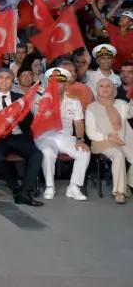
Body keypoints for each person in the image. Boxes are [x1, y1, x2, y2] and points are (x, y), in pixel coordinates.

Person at [0, 68, 42, 207]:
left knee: (37, 155)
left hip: (18, 136)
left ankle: (24, 193)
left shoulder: (20, 98)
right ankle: (15, 187)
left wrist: (20, 117)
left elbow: (29, 123)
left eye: (8, 78)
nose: (4, 80)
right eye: (1, 77)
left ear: (12, 82)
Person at [34, 67, 91, 201]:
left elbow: (78, 122)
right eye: (54, 82)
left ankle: (74, 187)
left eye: (61, 82)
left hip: (65, 137)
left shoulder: (74, 101)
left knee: (84, 152)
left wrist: (80, 139)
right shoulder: (39, 101)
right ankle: (49, 186)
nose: (58, 85)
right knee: (48, 153)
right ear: (48, 83)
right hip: (45, 136)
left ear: (65, 84)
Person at [84, 77, 133, 203]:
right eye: (101, 86)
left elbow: (130, 113)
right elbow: (91, 133)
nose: (105, 89)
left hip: (122, 138)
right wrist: (107, 137)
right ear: (97, 90)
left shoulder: (121, 104)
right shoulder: (91, 108)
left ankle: (128, 182)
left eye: (108, 86)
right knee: (118, 155)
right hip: (103, 142)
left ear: (114, 89)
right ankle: (119, 192)